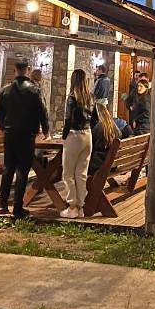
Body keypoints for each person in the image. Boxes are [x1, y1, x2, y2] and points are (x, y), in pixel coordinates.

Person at [0, 60, 49, 220]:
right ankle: (17, 207)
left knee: (8, 168)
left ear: (14, 70)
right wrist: (45, 130)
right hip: (27, 134)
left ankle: (2, 205)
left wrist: (4, 127)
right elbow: (42, 112)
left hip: (10, 134)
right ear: (27, 70)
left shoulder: (5, 90)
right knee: (22, 170)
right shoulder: (34, 90)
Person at [61, 68, 94, 219]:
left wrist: (64, 135)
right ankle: (81, 206)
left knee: (68, 173)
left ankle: (72, 206)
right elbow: (95, 119)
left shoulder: (72, 98)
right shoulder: (90, 97)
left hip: (74, 135)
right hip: (88, 135)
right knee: (81, 173)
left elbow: (68, 119)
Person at [89, 103, 121, 175]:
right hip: (112, 166)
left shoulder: (98, 128)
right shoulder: (114, 127)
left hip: (97, 166)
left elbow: (90, 148)